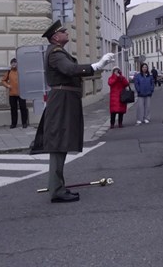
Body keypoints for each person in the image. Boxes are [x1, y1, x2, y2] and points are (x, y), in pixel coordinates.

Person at [30, 20, 114, 203]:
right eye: (63, 31)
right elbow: (69, 69)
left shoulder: (58, 52)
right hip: (62, 101)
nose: (67, 32)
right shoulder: (56, 53)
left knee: (61, 143)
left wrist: (96, 66)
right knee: (59, 143)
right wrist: (96, 66)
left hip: (64, 100)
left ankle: (57, 186)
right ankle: (57, 190)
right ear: (55, 37)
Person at [1, 58, 29, 128]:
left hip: (21, 93)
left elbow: (26, 79)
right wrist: (7, 85)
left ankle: (24, 123)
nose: (14, 64)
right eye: (12, 63)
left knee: (23, 108)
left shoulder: (21, 71)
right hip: (12, 94)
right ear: (11, 64)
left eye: (15, 63)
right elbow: (3, 80)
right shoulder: (9, 72)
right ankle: (13, 124)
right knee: (13, 109)